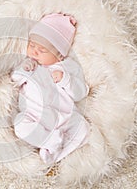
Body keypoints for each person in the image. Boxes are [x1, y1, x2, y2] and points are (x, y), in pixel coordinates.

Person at [11, 13, 89, 165]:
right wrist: (24, 70)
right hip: (35, 117)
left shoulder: (67, 67)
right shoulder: (29, 65)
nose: (35, 52)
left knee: (82, 129)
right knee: (20, 125)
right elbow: (14, 79)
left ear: (59, 55)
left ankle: (55, 146)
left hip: (62, 117)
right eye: (32, 45)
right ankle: (50, 141)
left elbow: (81, 92)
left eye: (42, 50)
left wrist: (65, 79)